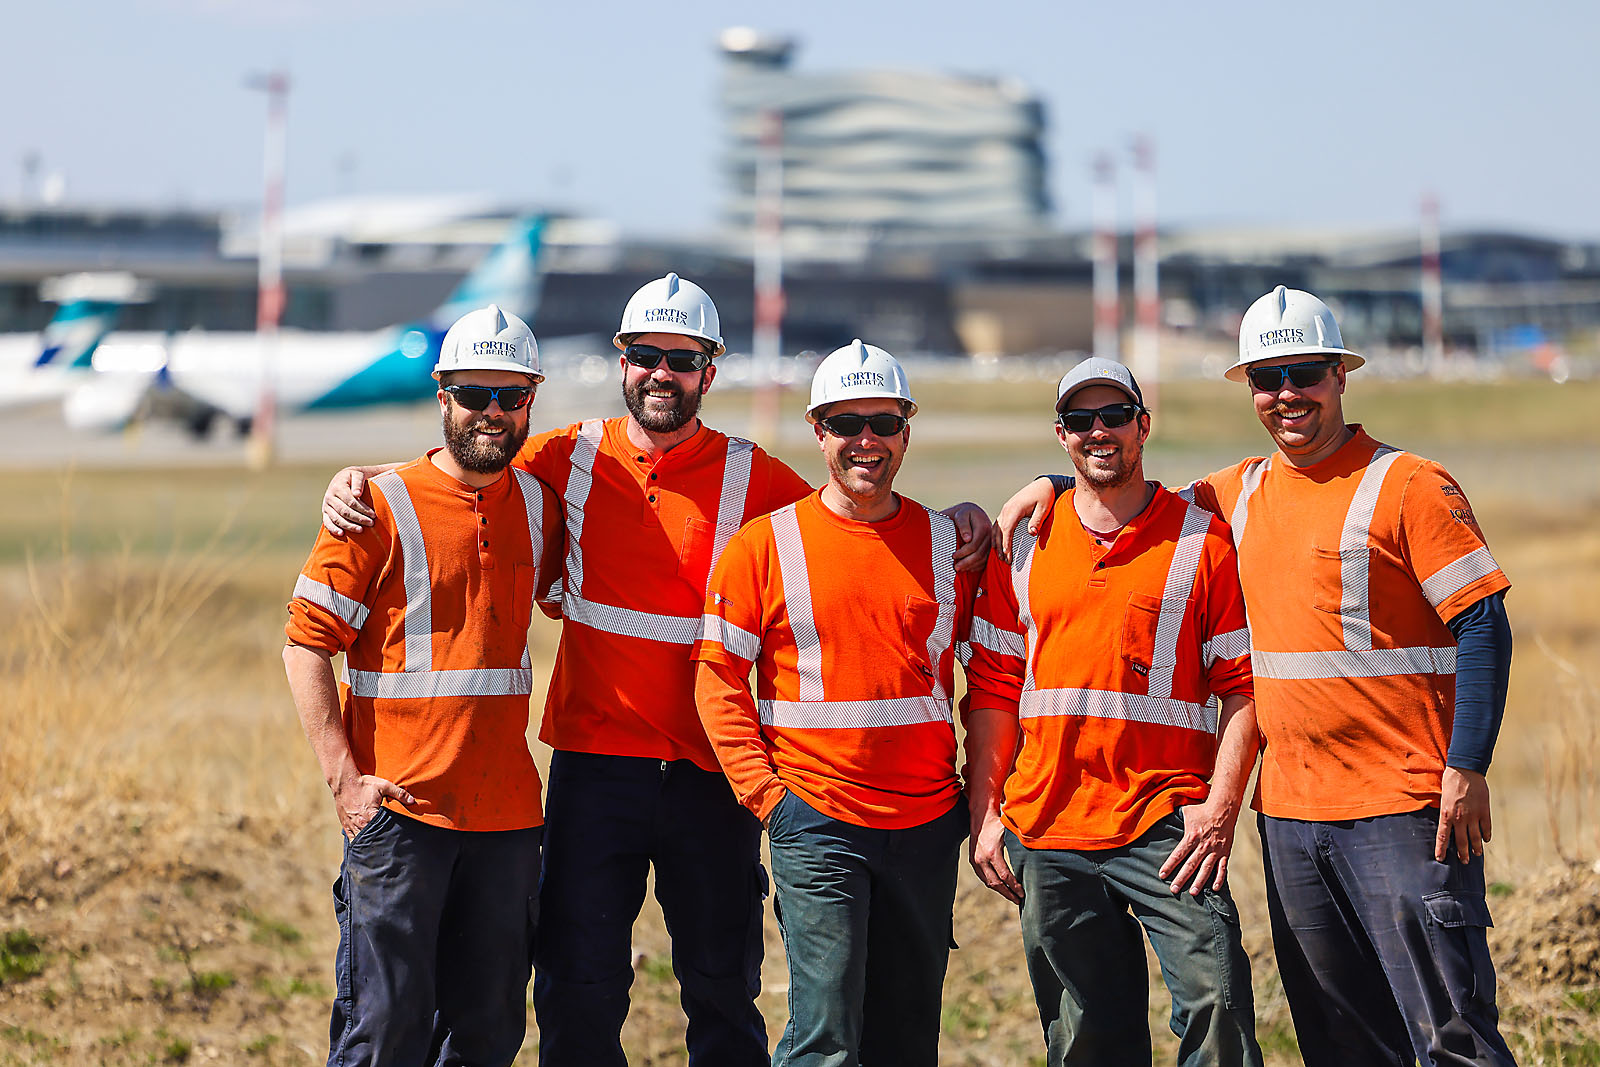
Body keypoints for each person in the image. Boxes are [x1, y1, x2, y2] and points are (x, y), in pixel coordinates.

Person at [319, 277, 993, 1065]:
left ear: (710, 371)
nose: (661, 373)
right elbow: (466, 458)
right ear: (622, 360)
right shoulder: (567, 457)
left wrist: (963, 519)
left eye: (682, 358)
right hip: (596, 769)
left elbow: (854, 508)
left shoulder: (755, 477)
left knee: (720, 986)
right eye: (646, 356)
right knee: (578, 984)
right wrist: (357, 477)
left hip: (712, 779)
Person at [999, 287, 1517, 1066]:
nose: (1286, 395)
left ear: (1341, 375)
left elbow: (1483, 624)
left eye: (1304, 372)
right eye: (1266, 378)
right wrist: (1057, 483)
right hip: (1294, 819)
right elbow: (1123, 499)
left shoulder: (1408, 484)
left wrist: (1467, 764)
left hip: (1407, 809)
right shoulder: (1232, 495)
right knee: (1339, 1039)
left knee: (1450, 1034)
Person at [283, 305, 564, 1067]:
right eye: (475, 395)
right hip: (400, 815)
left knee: (484, 1036)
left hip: (506, 822)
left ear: (531, 401)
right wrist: (345, 781)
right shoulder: (376, 504)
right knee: (384, 1032)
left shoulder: (542, 507)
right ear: (442, 396)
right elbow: (305, 645)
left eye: (511, 397)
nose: (493, 413)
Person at [964, 356, 1262, 1067]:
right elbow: (994, 692)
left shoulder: (1201, 540)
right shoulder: (1024, 547)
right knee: (1086, 1034)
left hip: (1169, 827)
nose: (1099, 431)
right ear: (1061, 435)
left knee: (1216, 1000)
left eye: (1115, 416)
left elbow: (1244, 687)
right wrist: (985, 813)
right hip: (1050, 826)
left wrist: (1221, 807)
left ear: (1143, 425)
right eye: (1080, 419)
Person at [694, 340, 977, 1067]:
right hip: (817, 821)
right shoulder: (767, 544)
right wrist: (770, 799)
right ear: (819, 430)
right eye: (846, 422)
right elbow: (717, 678)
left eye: (883, 422)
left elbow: (995, 675)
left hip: (923, 826)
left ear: (906, 430)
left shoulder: (947, 542)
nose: (866, 440)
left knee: (908, 1032)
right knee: (824, 1033)